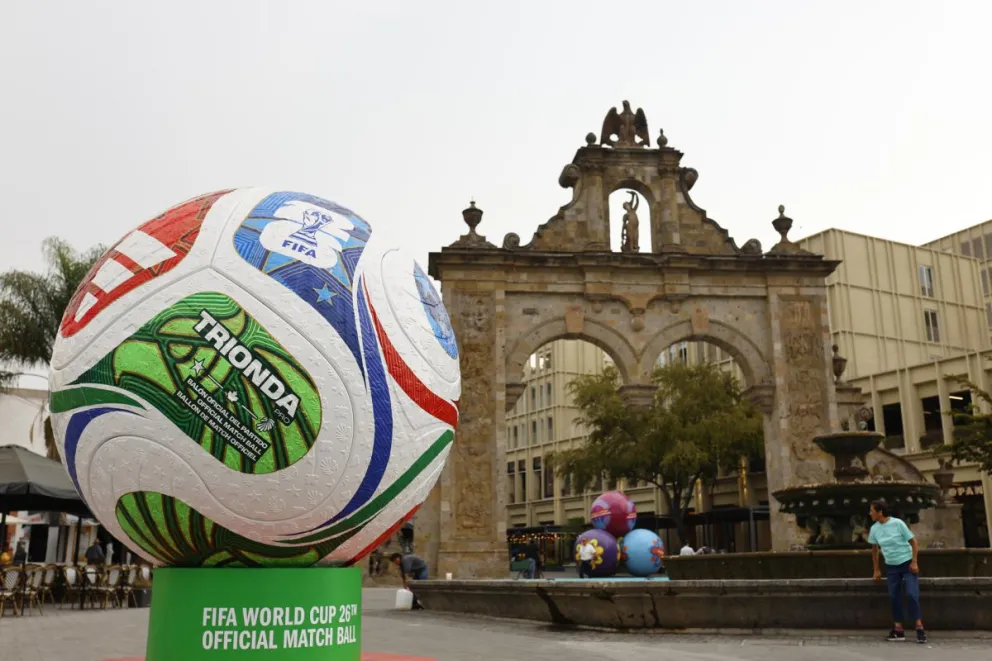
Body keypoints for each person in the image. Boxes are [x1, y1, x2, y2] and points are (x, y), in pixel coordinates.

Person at [868, 499, 926, 643]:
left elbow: (914, 542)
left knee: (912, 594)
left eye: (872, 511)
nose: (870, 513)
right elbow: (874, 550)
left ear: (880, 512)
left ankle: (919, 627)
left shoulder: (898, 523)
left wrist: (914, 562)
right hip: (891, 566)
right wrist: (876, 569)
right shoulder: (874, 529)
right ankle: (898, 630)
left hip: (907, 564)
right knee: (894, 596)